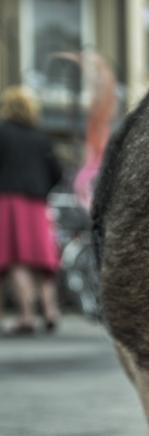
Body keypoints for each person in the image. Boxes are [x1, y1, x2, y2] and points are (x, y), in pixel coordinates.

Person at [0, 86, 63, 335]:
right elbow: (56, 172)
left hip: (8, 201)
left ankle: (26, 316)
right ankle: (50, 311)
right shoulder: (41, 138)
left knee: (17, 260)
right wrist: (42, 188)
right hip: (38, 203)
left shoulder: (2, 133)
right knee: (42, 261)